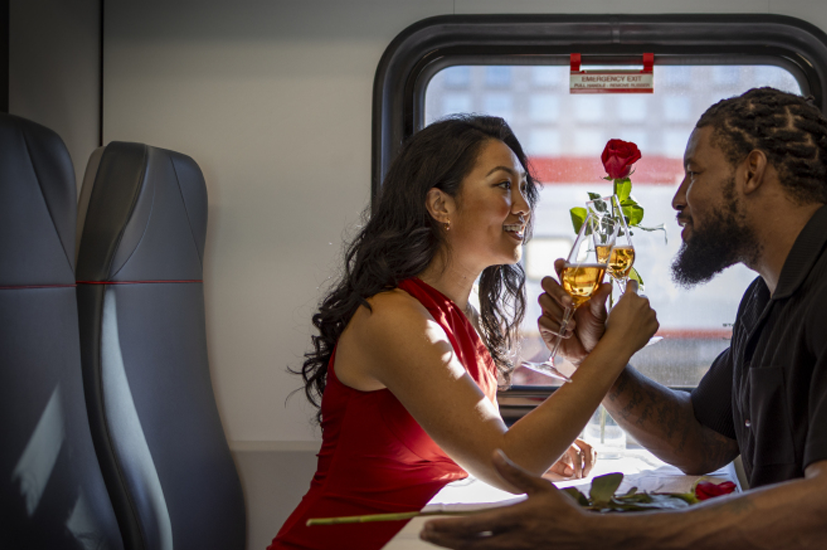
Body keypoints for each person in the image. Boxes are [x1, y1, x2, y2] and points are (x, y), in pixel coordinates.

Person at [421, 89, 827, 549]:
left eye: (693, 172)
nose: (677, 198)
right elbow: (701, 441)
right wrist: (600, 367)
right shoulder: (765, 299)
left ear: (751, 172)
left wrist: (612, 534)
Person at [269, 115, 659, 550]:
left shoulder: (463, 317)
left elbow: (478, 451)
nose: (524, 207)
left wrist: (539, 458)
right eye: (502, 185)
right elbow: (508, 462)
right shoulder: (396, 318)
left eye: (523, 189)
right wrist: (615, 349)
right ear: (441, 206)